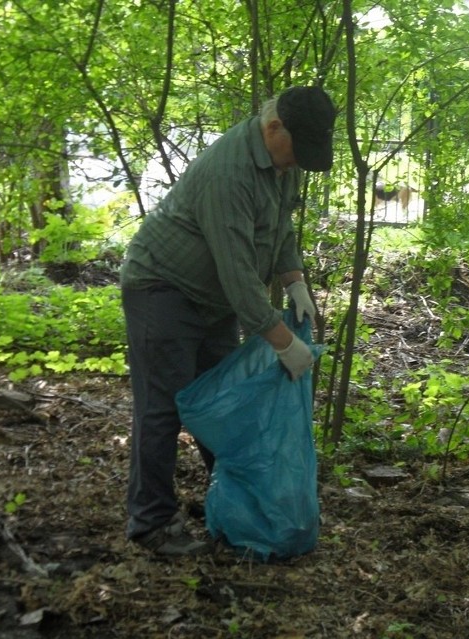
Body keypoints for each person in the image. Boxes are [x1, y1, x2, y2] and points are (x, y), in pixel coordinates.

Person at [119, 86, 336, 556]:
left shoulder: (281, 164)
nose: (298, 162)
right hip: (163, 287)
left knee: (222, 400)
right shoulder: (229, 171)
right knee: (164, 408)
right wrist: (283, 343)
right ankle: (151, 522)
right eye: (297, 151)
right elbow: (238, 274)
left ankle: (233, 500)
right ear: (274, 127)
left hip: (211, 298)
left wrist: (295, 279)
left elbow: (280, 229)